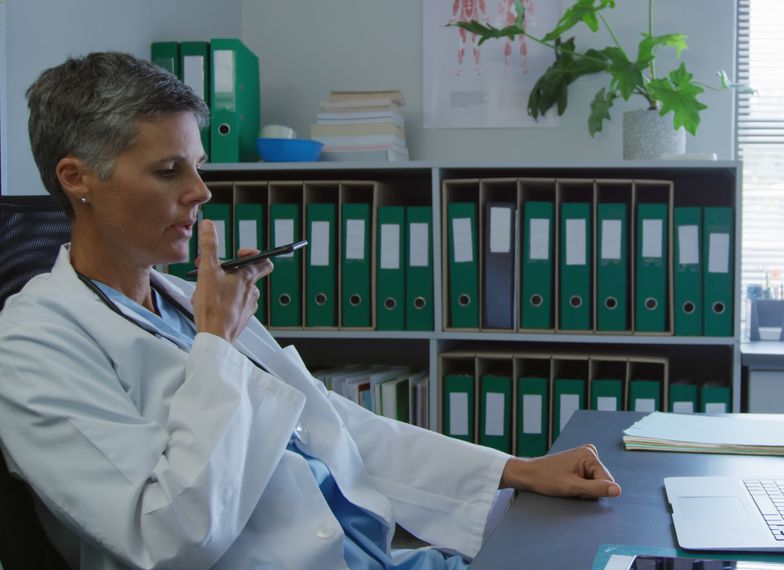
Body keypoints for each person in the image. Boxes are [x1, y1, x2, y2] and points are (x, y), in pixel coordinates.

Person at [0, 52, 620, 569]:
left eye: (198, 165)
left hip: (379, 554)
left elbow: (331, 424)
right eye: (168, 170)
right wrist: (216, 346)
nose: (201, 191)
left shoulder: (186, 300)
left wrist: (515, 469)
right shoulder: (33, 347)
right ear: (77, 177)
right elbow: (167, 537)